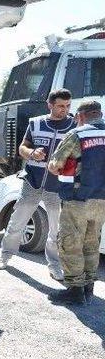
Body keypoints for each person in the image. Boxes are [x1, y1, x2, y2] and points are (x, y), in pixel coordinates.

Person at [0, 89, 75, 280]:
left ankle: (55, 266)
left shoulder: (74, 126)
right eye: (60, 106)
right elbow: (22, 148)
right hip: (32, 181)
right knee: (17, 221)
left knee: (56, 229)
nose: (64, 110)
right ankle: (5, 256)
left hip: (57, 186)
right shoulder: (36, 123)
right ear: (50, 105)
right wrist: (32, 153)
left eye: (67, 106)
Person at [47, 101, 105, 304]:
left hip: (78, 198)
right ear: (99, 114)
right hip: (102, 200)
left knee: (71, 242)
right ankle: (89, 286)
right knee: (92, 242)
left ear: (80, 116)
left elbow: (55, 165)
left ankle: (74, 290)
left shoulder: (77, 134)